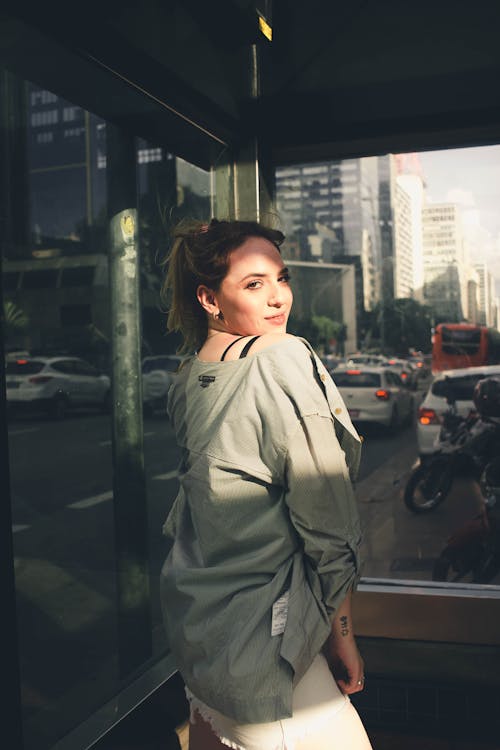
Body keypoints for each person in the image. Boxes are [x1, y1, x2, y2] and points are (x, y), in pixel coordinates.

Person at [160, 218, 373, 750]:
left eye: (281, 278)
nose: (278, 299)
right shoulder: (282, 359)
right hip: (264, 654)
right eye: (254, 284)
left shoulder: (189, 377)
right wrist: (342, 637)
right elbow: (328, 523)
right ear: (209, 298)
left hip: (202, 637)